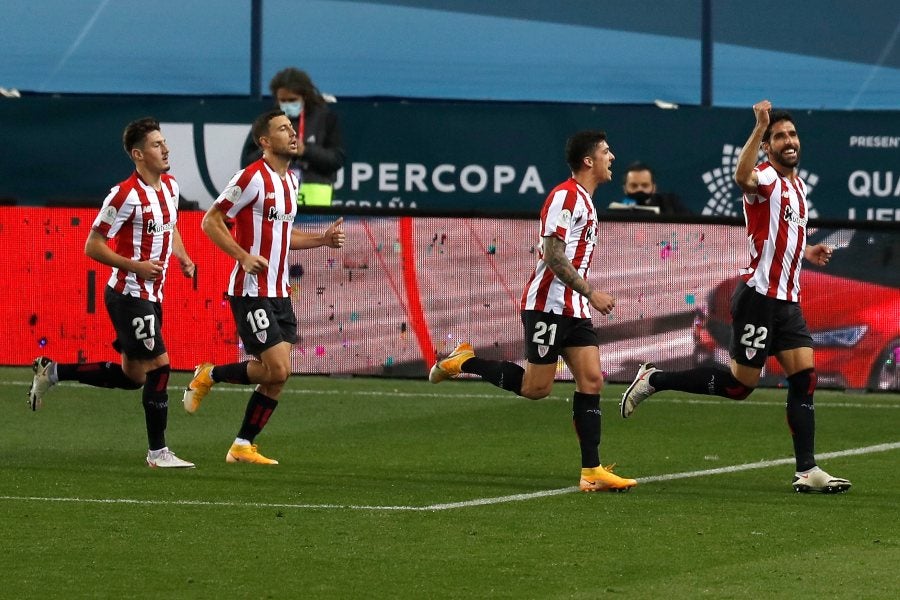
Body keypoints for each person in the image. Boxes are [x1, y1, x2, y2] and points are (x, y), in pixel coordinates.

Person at [620, 100, 851, 494]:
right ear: (768, 146)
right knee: (739, 386)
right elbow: (741, 176)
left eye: (792, 134)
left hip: (787, 302)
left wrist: (807, 252)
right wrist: (759, 126)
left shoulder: (796, 186)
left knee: (805, 379)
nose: (788, 140)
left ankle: (806, 469)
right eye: (780, 136)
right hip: (759, 298)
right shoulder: (763, 176)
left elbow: (782, 236)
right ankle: (656, 378)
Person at [429, 130, 637, 493]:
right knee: (536, 388)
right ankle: (464, 362)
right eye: (606, 151)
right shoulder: (564, 197)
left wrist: (584, 298)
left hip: (574, 308)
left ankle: (592, 471)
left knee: (591, 381)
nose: (612, 157)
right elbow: (553, 256)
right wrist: (592, 292)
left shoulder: (586, 202)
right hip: (547, 307)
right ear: (588, 161)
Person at [27, 117, 196, 469]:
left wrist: (181, 255)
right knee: (160, 369)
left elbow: (171, 224)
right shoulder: (123, 195)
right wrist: (135, 266)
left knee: (134, 378)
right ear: (138, 154)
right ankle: (158, 453)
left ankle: (52, 371)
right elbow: (93, 245)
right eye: (156, 144)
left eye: (164, 142)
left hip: (152, 295)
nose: (165, 149)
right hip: (129, 294)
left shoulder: (170, 187)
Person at [184, 109, 346, 465]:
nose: (292, 133)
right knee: (277, 369)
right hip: (250, 289)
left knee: (277, 378)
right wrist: (242, 256)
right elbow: (211, 221)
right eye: (283, 129)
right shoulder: (251, 178)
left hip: (280, 291)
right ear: (264, 141)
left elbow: (283, 238)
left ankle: (242, 444)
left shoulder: (291, 182)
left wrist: (322, 239)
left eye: (292, 127)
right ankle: (209, 374)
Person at [241, 67, 344, 207]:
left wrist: (305, 151)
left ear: (305, 97)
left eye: (292, 100)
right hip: (275, 196)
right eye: (283, 100)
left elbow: (336, 159)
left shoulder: (325, 118)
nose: (288, 105)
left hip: (315, 199)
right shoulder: (268, 119)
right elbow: (247, 161)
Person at [606, 161, 689, 214]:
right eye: (634, 186)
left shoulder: (671, 206)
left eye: (645, 185)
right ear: (625, 189)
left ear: (654, 187)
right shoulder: (617, 213)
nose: (639, 189)